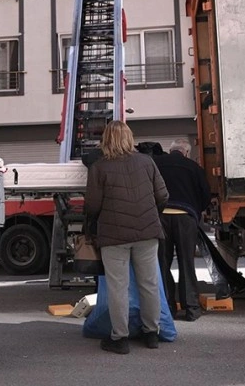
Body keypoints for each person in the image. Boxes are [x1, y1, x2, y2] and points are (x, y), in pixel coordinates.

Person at [85, 121, 169, 354]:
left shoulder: (99, 168)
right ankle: (152, 333)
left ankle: (119, 338)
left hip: (114, 236)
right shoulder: (146, 162)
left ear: (106, 141)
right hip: (147, 232)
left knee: (118, 287)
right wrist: (150, 214)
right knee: (149, 284)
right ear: (130, 138)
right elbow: (163, 195)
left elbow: (92, 206)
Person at [153, 139, 211, 321]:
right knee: (187, 263)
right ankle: (191, 309)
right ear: (186, 152)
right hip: (186, 217)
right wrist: (195, 211)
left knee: (162, 262)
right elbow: (205, 196)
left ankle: (167, 308)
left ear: (170, 151)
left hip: (160, 217)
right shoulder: (193, 167)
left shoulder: (157, 164)